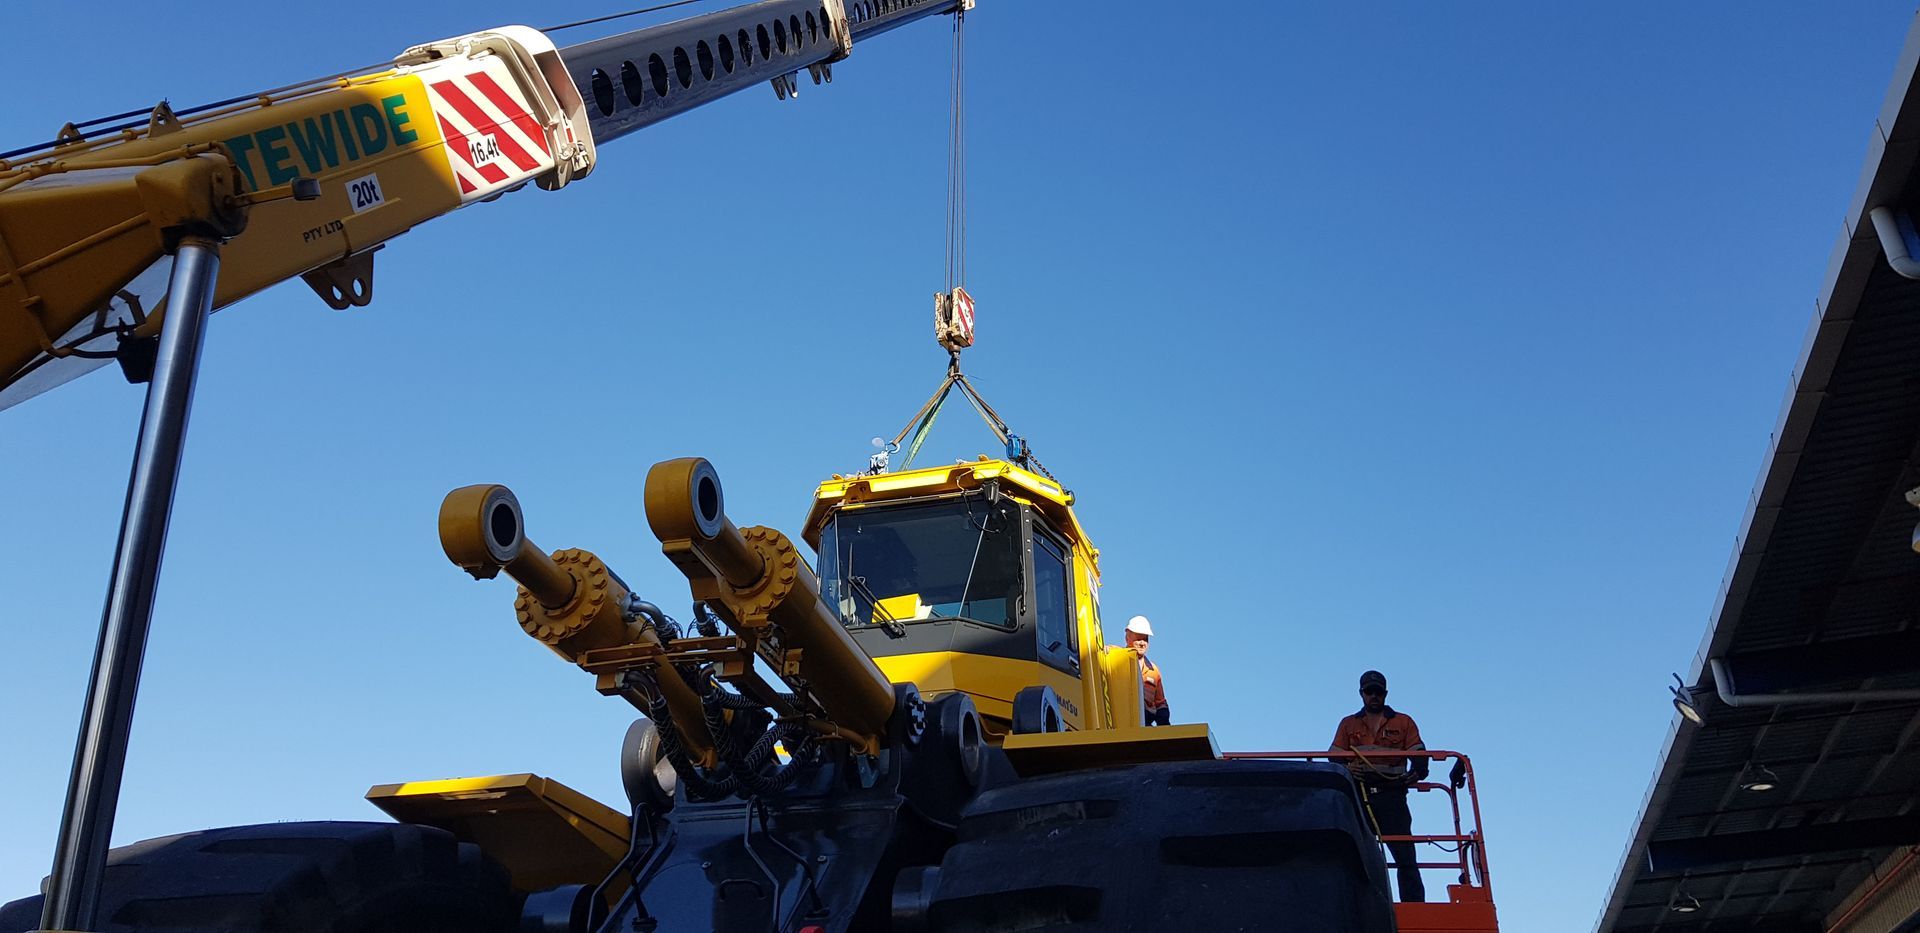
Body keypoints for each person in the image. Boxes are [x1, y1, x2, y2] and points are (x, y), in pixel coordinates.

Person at [1330, 670, 1427, 903]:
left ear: (1385, 693)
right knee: (1358, 854)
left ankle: (1413, 906)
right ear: (1361, 694)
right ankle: (1361, 904)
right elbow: (1333, 756)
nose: (1374, 696)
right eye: (1369, 691)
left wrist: (1417, 771)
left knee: (1405, 855)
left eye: (1378, 692)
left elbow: (1419, 754)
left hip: (1392, 796)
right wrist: (1348, 768)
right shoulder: (1348, 724)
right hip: (1360, 796)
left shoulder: (1403, 722)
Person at [1125, 616, 1170, 726]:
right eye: (1138, 639)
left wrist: (1164, 724)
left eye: (1145, 639)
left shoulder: (1153, 671)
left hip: (1145, 724)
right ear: (1127, 637)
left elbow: (1161, 704)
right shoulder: (1112, 658)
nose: (1142, 643)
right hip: (1122, 722)